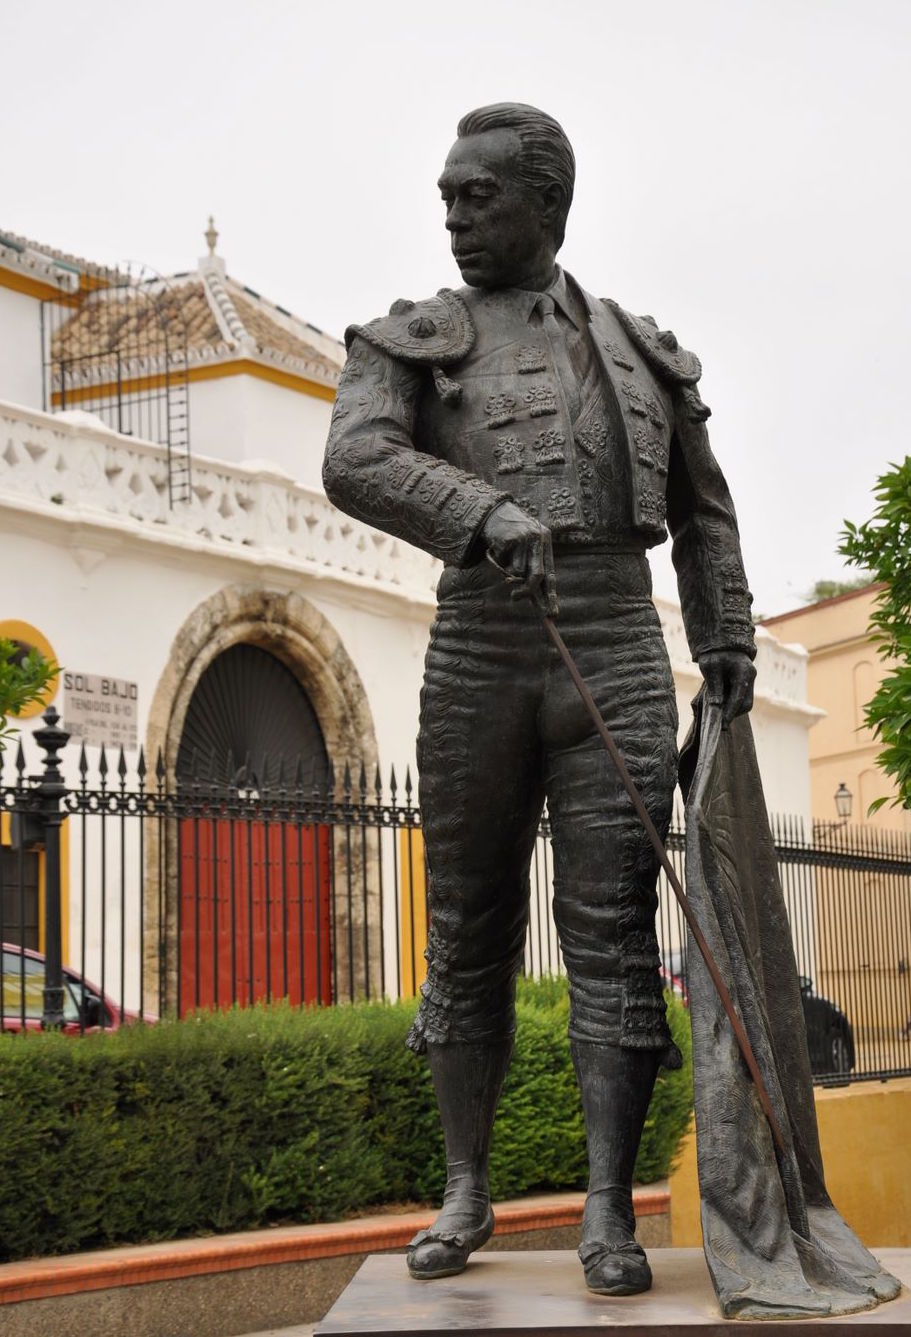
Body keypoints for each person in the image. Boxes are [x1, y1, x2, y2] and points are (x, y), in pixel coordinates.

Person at [323, 102, 756, 1297]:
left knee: (611, 936)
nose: (452, 213)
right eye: (447, 194)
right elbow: (352, 456)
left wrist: (723, 635)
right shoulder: (411, 339)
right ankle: (464, 1188)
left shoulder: (634, 346)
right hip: (478, 646)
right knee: (464, 933)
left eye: (478, 194)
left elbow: (704, 509)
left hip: (613, 640)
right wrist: (477, 511)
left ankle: (608, 1207)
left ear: (547, 204)